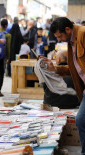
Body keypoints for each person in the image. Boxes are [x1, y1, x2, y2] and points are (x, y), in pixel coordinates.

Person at [44, 17, 85, 153]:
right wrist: (54, 69)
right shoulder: (71, 40)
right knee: (81, 120)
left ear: (67, 29)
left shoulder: (83, 34)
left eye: (60, 36)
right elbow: (73, 69)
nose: (60, 39)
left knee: (80, 119)